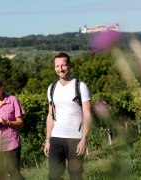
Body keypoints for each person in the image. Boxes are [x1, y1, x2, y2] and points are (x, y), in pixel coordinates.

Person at [44, 52, 92, 180]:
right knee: (53, 176)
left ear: (69, 65)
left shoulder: (80, 86)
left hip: (75, 139)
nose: (60, 69)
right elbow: (51, 114)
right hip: (56, 138)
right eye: (57, 66)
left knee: (75, 175)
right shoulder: (51, 88)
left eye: (63, 65)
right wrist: (47, 140)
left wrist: (84, 139)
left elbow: (87, 114)